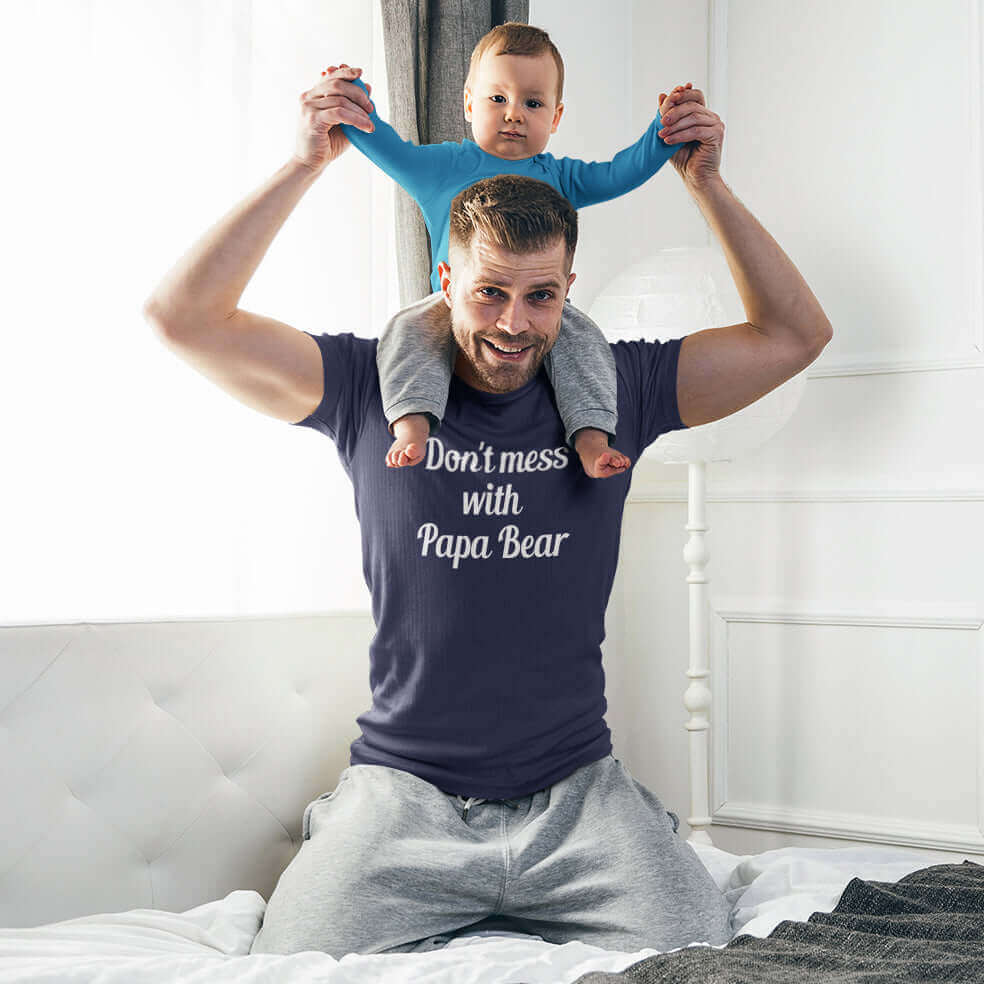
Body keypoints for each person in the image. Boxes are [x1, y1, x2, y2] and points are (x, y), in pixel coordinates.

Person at [143, 65, 831, 960]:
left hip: (574, 797)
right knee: (296, 961)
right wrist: (304, 164)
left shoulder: (619, 386)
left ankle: (629, 834)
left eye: (542, 296)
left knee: (694, 956)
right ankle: (340, 822)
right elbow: (180, 315)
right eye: (489, 293)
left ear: (569, 289)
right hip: (406, 798)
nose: (514, 323)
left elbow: (794, 335)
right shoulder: (364, 387)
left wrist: (707, 184)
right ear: (444, 277)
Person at [335, 23, 686, 480]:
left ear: (556, 117)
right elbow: (382, 143)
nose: (514, 114)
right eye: (497, 98)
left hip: (538, 306)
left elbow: (620, 173)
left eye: (532, 103)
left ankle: (593, 438)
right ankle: (411, 424)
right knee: (408, 328)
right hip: (455, 305)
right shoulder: (440, 167)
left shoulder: (561, 176)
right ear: (468, 103)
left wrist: (662, 134)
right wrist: (350, 95)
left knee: (584, 339)